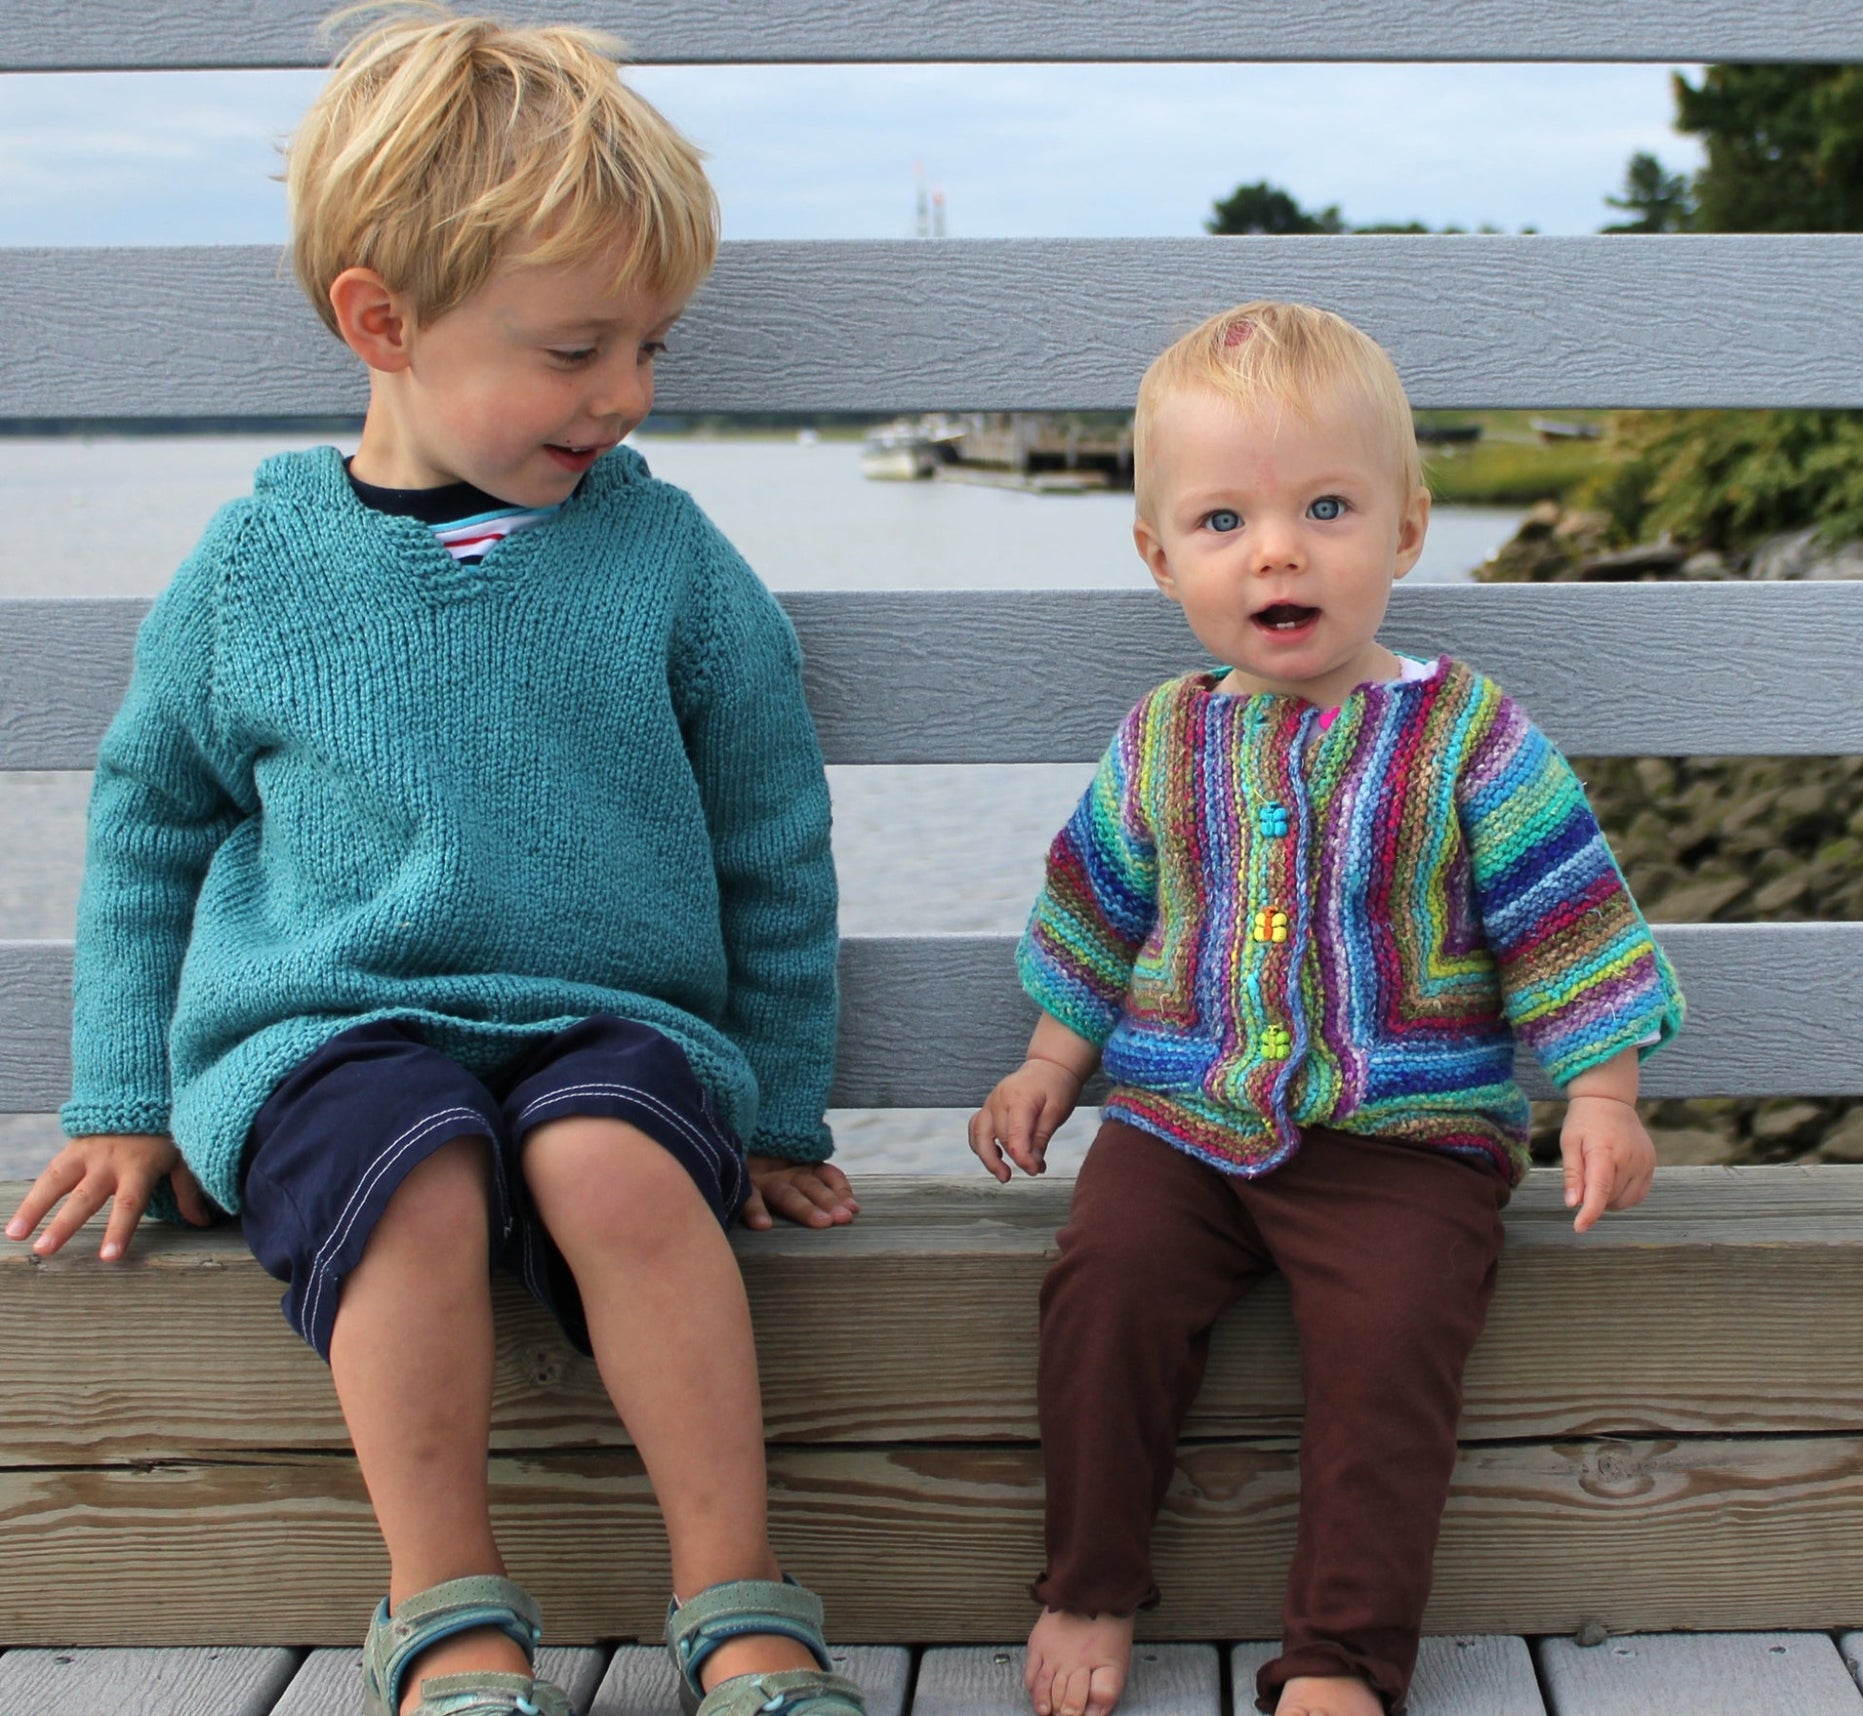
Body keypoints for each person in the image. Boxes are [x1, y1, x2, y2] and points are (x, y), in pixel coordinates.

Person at [4, 13, 868, 1716]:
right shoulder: (256, 568)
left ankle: (738, 1601)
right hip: (326, 1029)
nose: (624, 394)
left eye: (651, 344)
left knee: (616, 1167)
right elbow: (148, 827)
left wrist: (773, 1111)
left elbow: (773, 843)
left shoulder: (670, 563)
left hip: (611, 1023)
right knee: (410, 1172)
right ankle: (448, 1612)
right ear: (380, 322)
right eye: (574, 350)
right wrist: (118, 1099)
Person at [969, 301, 1685, 1716]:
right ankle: (1090, 1580)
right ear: (1157, 554)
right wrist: (1052, 1060)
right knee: (1099, 1288)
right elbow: (1100, 907)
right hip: (1180, 1114)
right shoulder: (1162, 738)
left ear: (1406, 530)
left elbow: (1563, 919)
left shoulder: (1467, 734)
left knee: (1393, 1349)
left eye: (1325, 508)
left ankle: (1340, 1658)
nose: (1277, 550)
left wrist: (1600, 1089)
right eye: (1223, 520)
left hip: (1406, 1137)